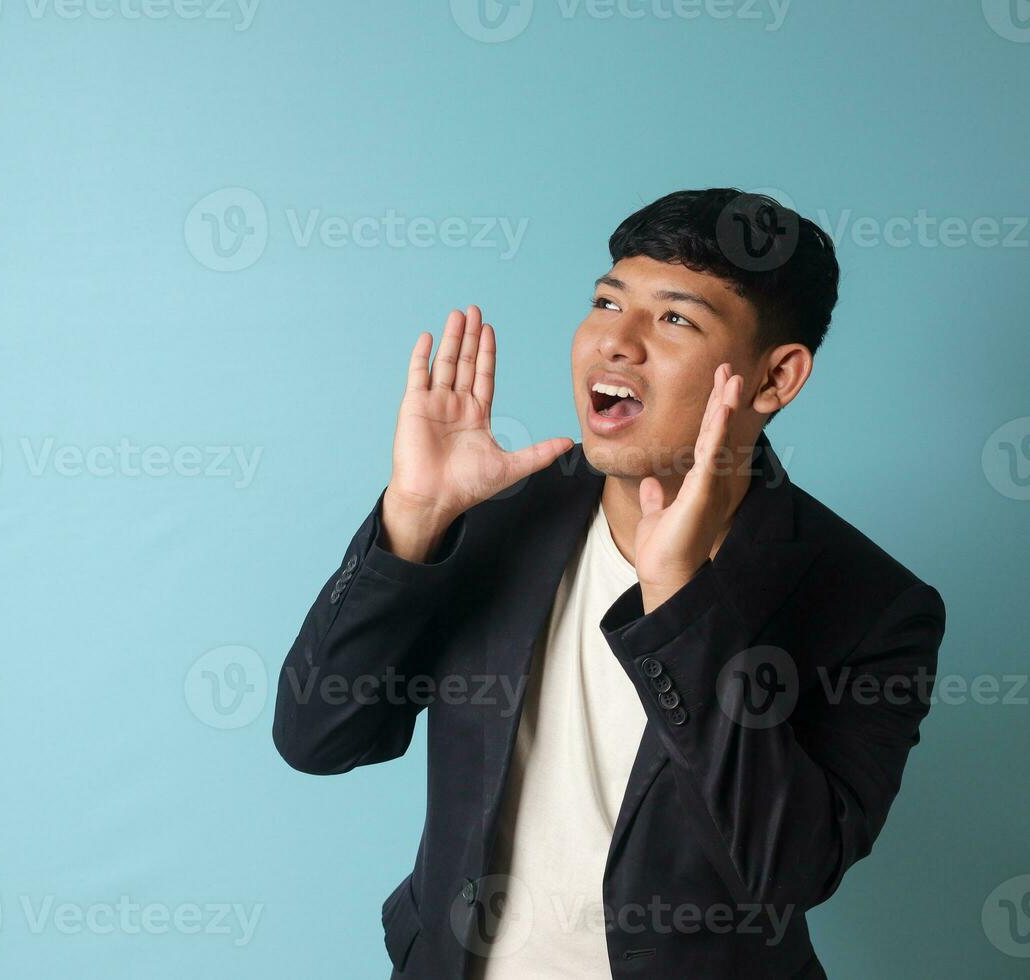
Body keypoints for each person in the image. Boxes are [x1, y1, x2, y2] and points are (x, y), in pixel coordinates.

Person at [272, 188, 947, 979]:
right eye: (605, 301)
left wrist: (682, 602)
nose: (616, 342)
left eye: (675, 319)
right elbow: (319, 737)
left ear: (775, 378)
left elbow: (794, 868)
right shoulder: (498, 513)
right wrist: (414, 519)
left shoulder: (873, 605)